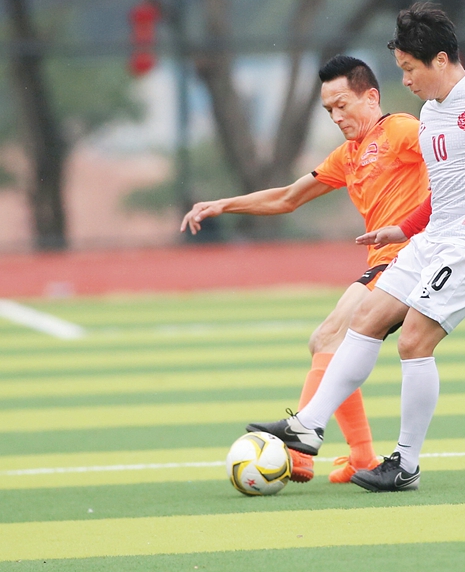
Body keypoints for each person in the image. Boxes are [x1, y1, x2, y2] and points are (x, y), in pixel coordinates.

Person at [247, 2, 465, 492]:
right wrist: (402, 229)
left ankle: (404, 464)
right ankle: (308, 426)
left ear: (440, 60)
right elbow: (444, 192)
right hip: (433, 238)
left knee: (413, 341)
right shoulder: (430, 113)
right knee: (366, 318)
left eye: (409, 68)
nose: (404, 80)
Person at [180, 55, 430, 484]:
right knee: (327, 344)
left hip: (409, 259)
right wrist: (224, 204)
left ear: (371, 98)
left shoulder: (401, 131)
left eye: (342, 105)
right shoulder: (348, 156)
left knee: (329, 337)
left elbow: (453, 159)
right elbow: (288, 198)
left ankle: (301, 451)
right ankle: (361, 456)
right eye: (329, 110)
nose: (336, 116)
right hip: (386, 263)